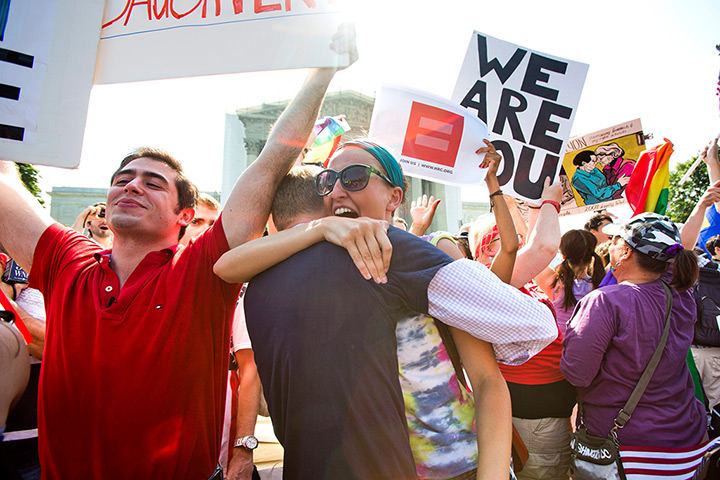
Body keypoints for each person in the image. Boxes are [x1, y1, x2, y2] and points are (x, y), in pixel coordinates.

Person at [0, 28, 356, 478]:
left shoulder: (204, 270)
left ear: (185, 214)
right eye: (122, 179)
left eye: (153, 183)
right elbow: (6, 182)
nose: (131, 185)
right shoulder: (66, 260)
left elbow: (271, 160)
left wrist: (324, 70)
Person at [215, 143, 557, 479]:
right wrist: (317, 229)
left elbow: (486, 379)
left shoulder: (416, 254)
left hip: (458, 465)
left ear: (394, 198)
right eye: (329, 180)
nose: (336, 190)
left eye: (354, 178)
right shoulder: (327, 262)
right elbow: (226, 267)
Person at [561, 213, 706, 448]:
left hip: (627, 446)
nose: (610, 246)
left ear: (626, 252)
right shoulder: (680, 294)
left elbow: (578, 373)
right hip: (686, 437)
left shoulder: (604, 302)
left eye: (616, 239)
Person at [535, 229, 605, 338]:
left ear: (563, 255)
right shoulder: (601, 284)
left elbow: (533, 250)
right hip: (592, 346)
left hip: (562, 348)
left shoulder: (554, 282)